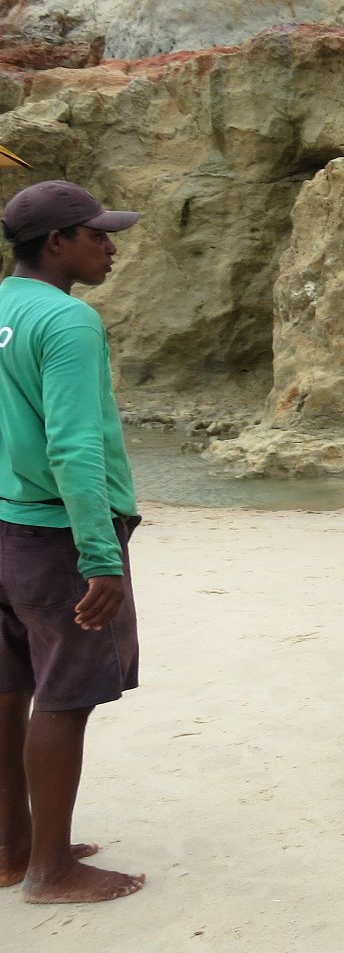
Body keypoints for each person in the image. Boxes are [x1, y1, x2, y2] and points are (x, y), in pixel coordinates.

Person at [0, 180, 145, 904]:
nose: (110, 247)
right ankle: (51, 872)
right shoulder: (67, 321)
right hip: (54, 534)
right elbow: (74, 445)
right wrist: (99, 556)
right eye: (97, 235)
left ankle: (12, 848)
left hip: (3, 524)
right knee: (63, 695)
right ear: (56, 243)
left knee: (8, 689)